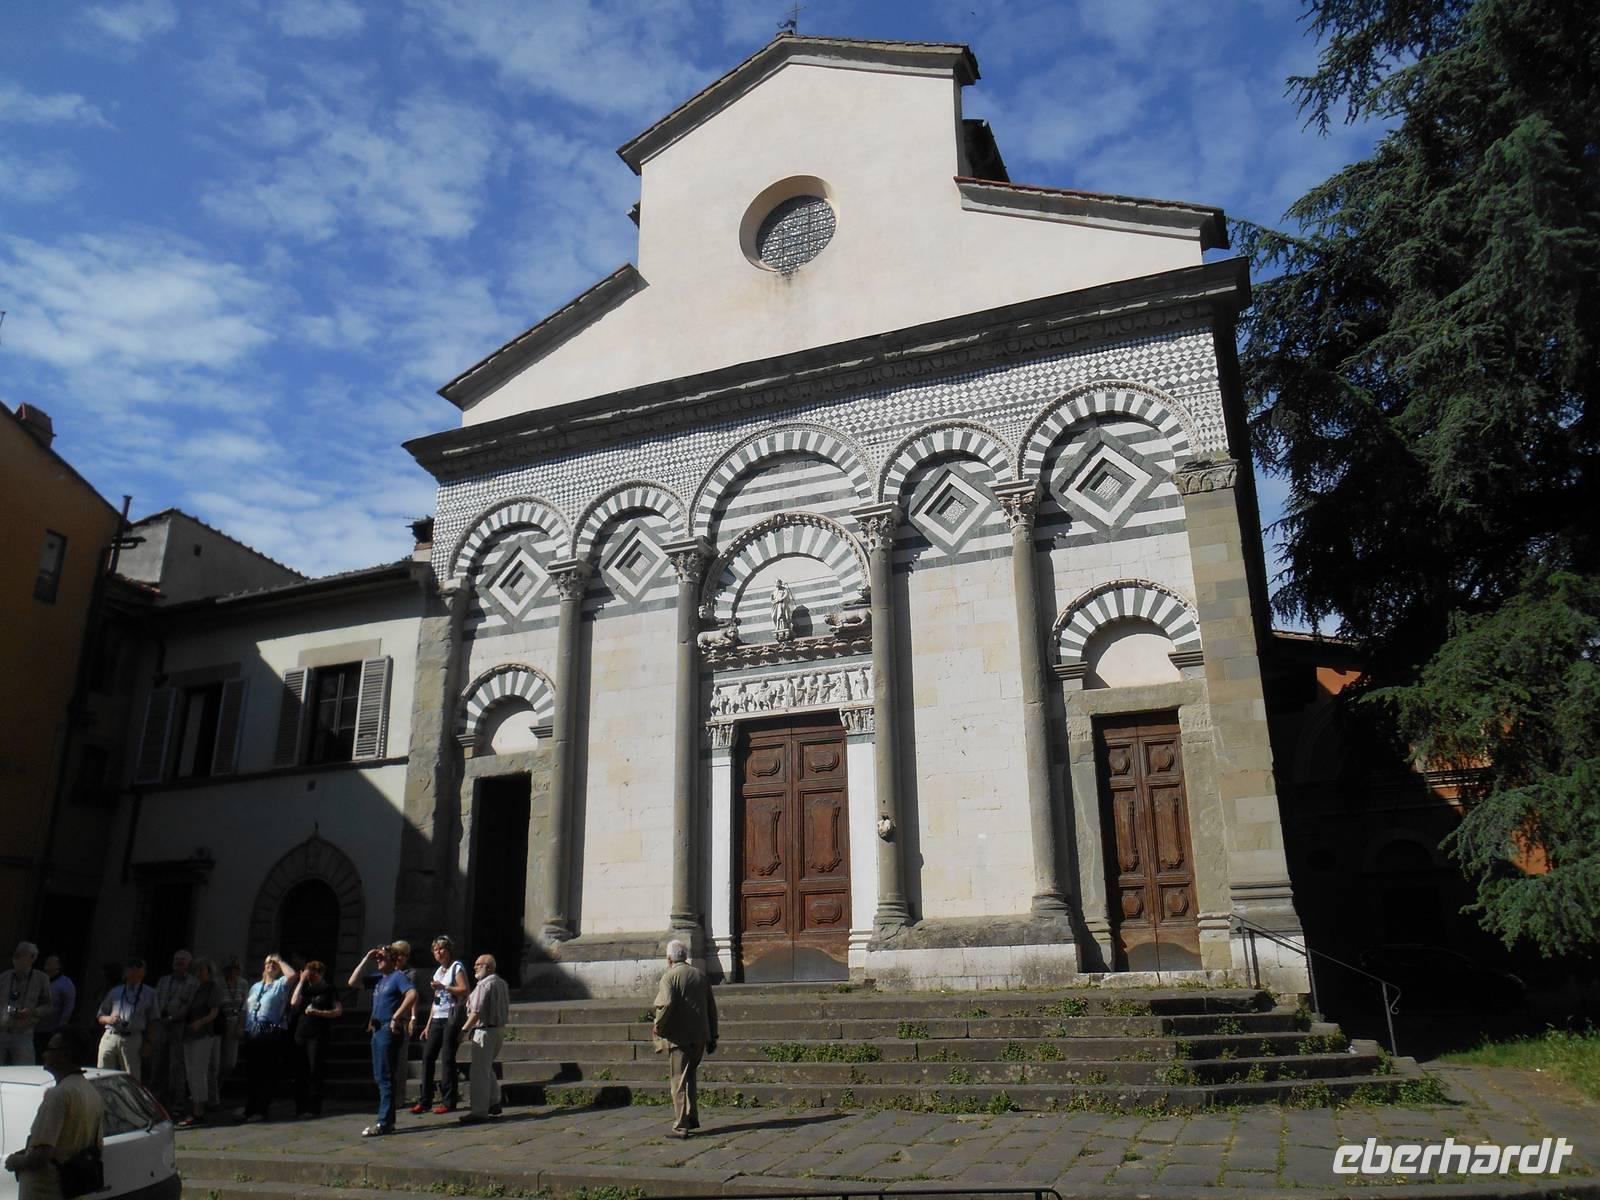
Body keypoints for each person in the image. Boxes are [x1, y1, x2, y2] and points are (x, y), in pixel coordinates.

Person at [4, 1029, 104, 1200]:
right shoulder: (91, 1092)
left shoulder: (59, 1094)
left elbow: (41, 1156)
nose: (44, 1054)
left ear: (65, 1055)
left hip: (46, 1190)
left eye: (49, 1049)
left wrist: (14, 1161)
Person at [348, 942, 417, 1137]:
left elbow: (412, 994)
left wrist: (397, 1016)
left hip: (388, 1029)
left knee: (385, 1076)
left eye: (382, 957)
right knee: (380, 1076)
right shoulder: (379, 978)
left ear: (393, 960)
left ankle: (384, 1122)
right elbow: (353, 982)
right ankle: (387, 1121)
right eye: (377, 958)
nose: (378, 960)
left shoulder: (398, 977)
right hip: (377, 1030)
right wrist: (366, 959)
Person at [650, 939, 717, 1139]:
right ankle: (692, 1116)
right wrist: (713, 1035)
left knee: (678, 1081)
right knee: (691, 1076)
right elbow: (711, 1007)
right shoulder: (700, 975)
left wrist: (658, 1026)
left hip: (679, 1037)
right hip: (700, 1035)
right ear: (685, 956)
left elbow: (665, 1004)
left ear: (669, 958)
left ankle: (680, 1125)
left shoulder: (669, 977)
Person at [238, 953, 297, 1123]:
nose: (270, 965)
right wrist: (241, 1027)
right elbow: (246, 1008)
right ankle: (249, 1109)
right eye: (268, 963)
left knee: (265, 1073)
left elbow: (292, 975)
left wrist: (279, 960)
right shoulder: (255, 987)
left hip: (269, 1032)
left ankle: (261, 1110)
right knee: (251, 1073)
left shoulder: (280, 985)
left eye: (274, 964)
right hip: (252, 1031)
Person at [412, 936, 468, 1115]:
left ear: (449, 950)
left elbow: (464, 990)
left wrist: (445, 987)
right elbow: (435, 1001)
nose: (438, 953)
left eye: (441, 949)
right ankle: (425, 1100)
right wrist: (428, 1025)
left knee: (447, 1058)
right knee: (428, 1056)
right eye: (435, 950)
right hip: (437, 1017)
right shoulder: (438, 972)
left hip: (451, 1017)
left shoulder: (456, 967)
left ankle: (449, 1101)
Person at [457, 952, 508, 1125]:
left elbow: (476, 1011)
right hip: (498, 1030)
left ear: (489, 967)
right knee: (486, 1067)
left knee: (479, 1071)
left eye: (479, 964)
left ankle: (479, 1111)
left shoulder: (484, 985)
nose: (475, 967)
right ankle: (494, 1101)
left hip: (484, 1031)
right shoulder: (502, 983)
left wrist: (464, 1030)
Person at [288, 960, 342, 1118]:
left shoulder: (328, 989)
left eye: (315, 973)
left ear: (321, 974)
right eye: (310, 973)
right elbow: (293, 1002)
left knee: (314, 1070)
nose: (312, 976)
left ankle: (313, 1108)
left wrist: (319, 1013)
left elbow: (338, 1011)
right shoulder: (304, 988)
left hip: (318, 1034)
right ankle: (300, 1108)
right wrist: (301, 981)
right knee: (300, 1071)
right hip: (301, 1032)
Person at [175, 959, 223, 1128]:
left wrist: (201, 1022)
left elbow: (214, 1012)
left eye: (201, 970)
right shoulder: (195, 988)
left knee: (198, 1071)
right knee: (190, 1072)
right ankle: (195, 1107)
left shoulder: (213, 987)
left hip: (203, 1034)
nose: (198, 974)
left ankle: (199, 1110)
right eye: (196, 971)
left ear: (209, 971)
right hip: (189, 1034)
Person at [150, 950, 198, 1108]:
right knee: (158, 1062)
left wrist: (173, 1018)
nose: (178, 962)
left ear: (188, 964)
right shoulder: (164, 980)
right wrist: (159, 1018)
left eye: (182, 959)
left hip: (179, 1026)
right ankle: (156, 1097)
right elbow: (155, 1000)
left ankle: (176, 1100)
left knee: (176, 1065)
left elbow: (189, 1005)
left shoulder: (193, 982)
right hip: (161, 1024)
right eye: (176, 959)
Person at [95, 959, 156, 1078]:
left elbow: (153, 1020)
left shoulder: (150, 993)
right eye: (130, 968)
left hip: (132, 1038)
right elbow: (100, 1016)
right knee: (102, 1075)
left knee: (131, 1076)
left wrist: (149, 1043)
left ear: (143, 973)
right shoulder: (115, 991)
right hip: (110, 1036)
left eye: (137, 969)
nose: (133, 971)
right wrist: (109, 1019)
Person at [0, 942, 53, 1066]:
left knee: (24, 1067)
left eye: (23, 954)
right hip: (2, 1030)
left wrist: (32, 1012)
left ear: (32, 958)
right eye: (17, 954)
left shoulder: (41, 979)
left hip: (24, 1032)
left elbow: (48, 1005)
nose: (18, 958)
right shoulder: (4, 977)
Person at [210, 957, 247, 1106]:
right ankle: (213, 1096)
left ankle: (216, 1089)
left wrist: (241, 1025)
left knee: (229, 1063)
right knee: (215, 1063)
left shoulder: (243, 983)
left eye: (237, 968)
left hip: (234, 1024)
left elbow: (245, 1006)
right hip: (219, 1024)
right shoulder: (217, 983)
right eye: (232, 968)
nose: (234, 972)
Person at [31, 956, 76, 1065]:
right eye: (47, 962)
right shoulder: (40, 979)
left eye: (51, 963)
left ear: (58, 966)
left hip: (51, 1029)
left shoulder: (65, 983)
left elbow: (68, 1006)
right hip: (34, 1027)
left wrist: (61, 1026)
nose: (47, 965)